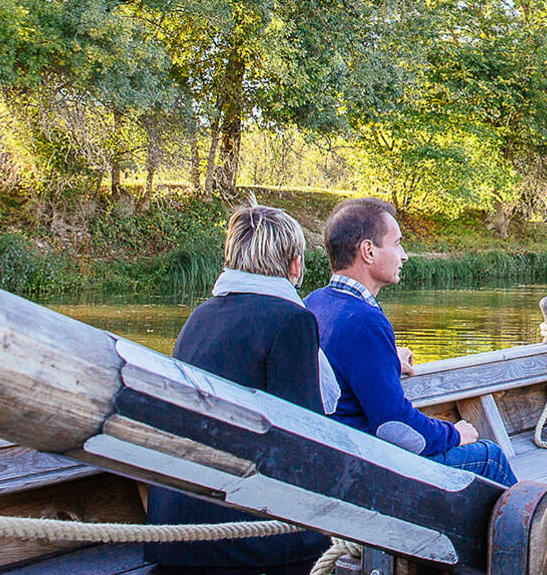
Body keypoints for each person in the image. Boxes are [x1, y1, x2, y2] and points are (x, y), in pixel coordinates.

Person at [145, 204, 332, 575]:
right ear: (295, 266)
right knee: (329, 538)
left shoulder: (200, 316)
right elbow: (305, 437)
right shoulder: (291, 319)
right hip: (238, 531)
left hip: (173, 528)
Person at [306, 197, 516, 485]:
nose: (404, 255)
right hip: (362, 467)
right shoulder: (366, 321)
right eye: (396, 244)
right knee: (490, 457)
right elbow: (396, 427)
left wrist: (389, 358)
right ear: (368, 251)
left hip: (329, 453)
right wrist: (456, 434)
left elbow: (345, 365)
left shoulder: (316, 303)